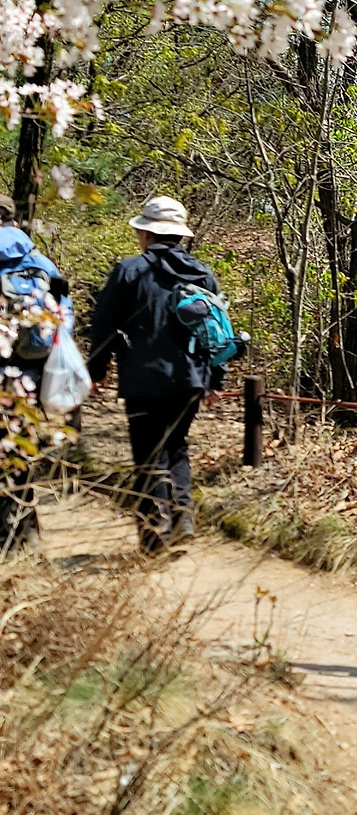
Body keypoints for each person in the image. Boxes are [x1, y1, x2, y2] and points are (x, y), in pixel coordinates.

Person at [87, 195, 222, 555]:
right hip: (192, 379)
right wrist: (215, 380)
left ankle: (155, 535)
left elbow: (103, 326)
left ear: (146, 233)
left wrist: (96, 372)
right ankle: (183, 521)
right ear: (179, 235)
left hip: (144, 381)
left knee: (149, 455)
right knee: (176, 446)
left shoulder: (130, 271)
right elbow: (218, 328)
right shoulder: (202, 273)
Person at [0, 194, 73, 552]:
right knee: (20, 451)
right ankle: (23, 534)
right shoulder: (40, 263)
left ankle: (13, 539)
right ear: (15, 221)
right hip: (29, 377)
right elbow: (64, 320)